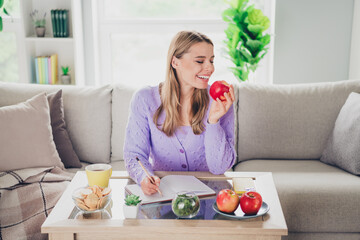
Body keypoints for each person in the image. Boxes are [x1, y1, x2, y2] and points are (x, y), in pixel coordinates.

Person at [123, 30, 236, 195]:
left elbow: (219, 167)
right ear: (175, 62)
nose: (210, 68)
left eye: (211, 60)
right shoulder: (144, 99)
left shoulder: (220, 101)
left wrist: (213, 122)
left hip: (209, 198)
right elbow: (135, 154)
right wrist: (144, 177)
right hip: (163, 196)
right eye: (200, 61)